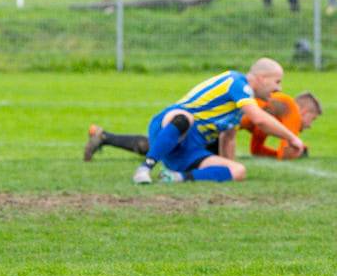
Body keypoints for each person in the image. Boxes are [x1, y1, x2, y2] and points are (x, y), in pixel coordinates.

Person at [129, 59, 304, 184]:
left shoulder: (237, 108)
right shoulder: (236, 82)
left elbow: (228, 138)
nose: (278, 88)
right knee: (185, 118)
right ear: (261, 78)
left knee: (238, 171)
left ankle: (175, 178)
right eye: (277, 81)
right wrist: (291, 138)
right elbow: (259, 119)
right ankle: (144, 168)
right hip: (167, 129)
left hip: (189, 150)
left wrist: (229, 166)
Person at [84, 91, 320, 162]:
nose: (308, 124)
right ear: (306, 112)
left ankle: (103, 136)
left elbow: (257, 150)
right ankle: (104, 136)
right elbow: (285, 152)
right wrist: (301, 148)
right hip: (218, 126)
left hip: (220, 127)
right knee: (173, 149)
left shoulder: (274, 113)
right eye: (312, 119)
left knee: (167, 145)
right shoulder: (290, 109)